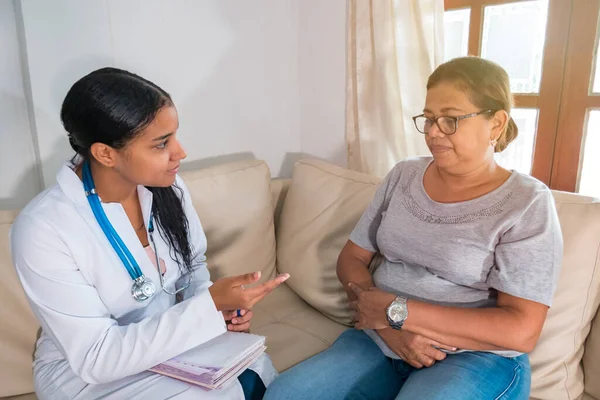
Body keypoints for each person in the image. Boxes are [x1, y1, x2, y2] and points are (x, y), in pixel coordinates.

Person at [264, 56, 563, 400]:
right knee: (285, 395)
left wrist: (398, 313)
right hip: (379, 339)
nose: (434, 132)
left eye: (450, 119)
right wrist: (389, 328)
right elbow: (352, 258)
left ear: (495, 124)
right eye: (430, 118)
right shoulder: (404, 176)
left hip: (477, 357)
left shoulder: (527, 203)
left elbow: (521, 330)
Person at [10, 67, 290, 400]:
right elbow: (96, 358)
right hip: (89, 376)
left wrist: (221, 312)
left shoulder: (168, 187)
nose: (180, 153)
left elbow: (193, 266)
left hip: (172, 348)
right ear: (105, 153)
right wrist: (207, 309)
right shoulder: (44, 229)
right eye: (161, 144)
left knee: (254, 373)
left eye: (174, 136)